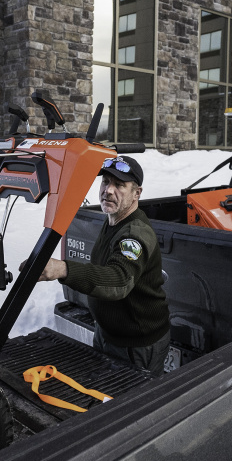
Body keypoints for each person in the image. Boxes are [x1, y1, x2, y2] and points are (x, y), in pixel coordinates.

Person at [37, 155, 171, 373]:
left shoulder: (134, 233)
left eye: (119, 185)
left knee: (133, 405)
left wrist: (63, 269)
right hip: (108, 334)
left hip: (136, 344)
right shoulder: (113, 220)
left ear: (137, 193)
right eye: (105, 182)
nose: (108, 190)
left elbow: (119, 280)